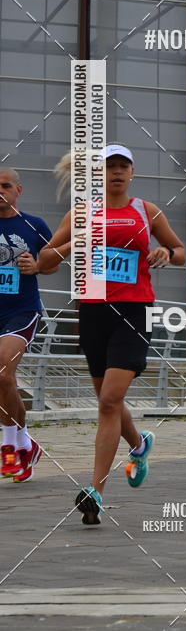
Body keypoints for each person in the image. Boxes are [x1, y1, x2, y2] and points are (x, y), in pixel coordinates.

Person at [39, 144, 185, 524]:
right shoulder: (81, 213)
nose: (117, 172)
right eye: (109, 167)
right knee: (108, 400)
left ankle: (95, 492)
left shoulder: (146, 210)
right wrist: (75, 243)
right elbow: (45, 262)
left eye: (123, 166)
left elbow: (180, 250)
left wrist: (166, 255)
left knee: (108, 400)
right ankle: (138, 444)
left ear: (132, 173)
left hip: (134, 310)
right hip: (92, 311)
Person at [0, 169, 57, 482]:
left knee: (2, 371)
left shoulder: (34, 225)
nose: (0, 191)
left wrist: (37, 265)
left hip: (22, 311)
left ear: (17, 190)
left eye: (5, 186)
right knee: (4, 382)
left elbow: (55, 260)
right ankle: (26, 445)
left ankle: (8, 447)